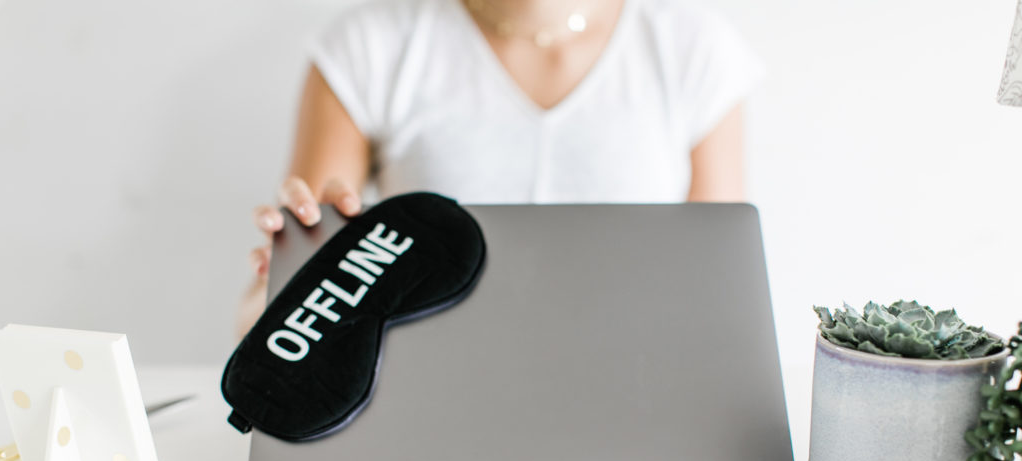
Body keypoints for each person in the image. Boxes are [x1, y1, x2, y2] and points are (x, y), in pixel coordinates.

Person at [240, 0, 762, 334]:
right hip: (428, 399)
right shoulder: (369, 47)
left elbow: (718, 309)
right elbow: (271, 314)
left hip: (640, 393)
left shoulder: (692, 51)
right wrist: (287, 285)